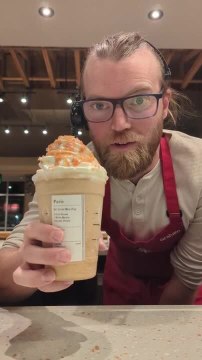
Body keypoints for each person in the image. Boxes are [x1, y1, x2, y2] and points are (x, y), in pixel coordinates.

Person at [0, 31, 202, 306]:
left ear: (164, 104)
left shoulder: (197, 168)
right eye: (98, 104)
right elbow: (5, 273)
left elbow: (187, 279)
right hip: (118, 293)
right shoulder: (74, 168)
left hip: (181, 299)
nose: (119, 124)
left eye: (139, 100)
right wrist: (27, 261)